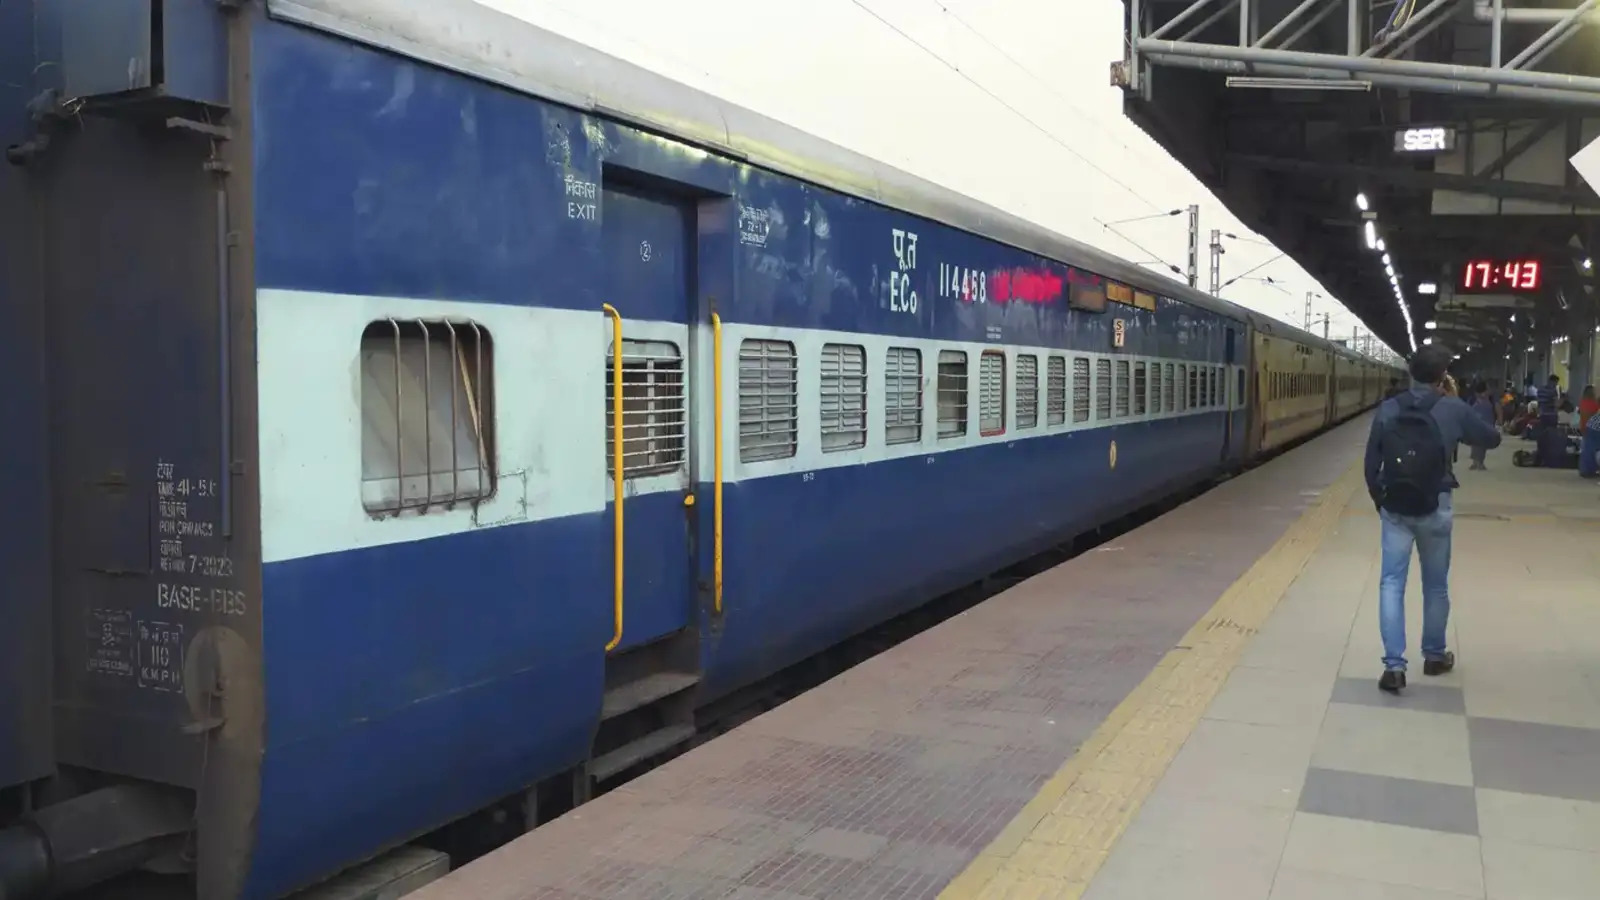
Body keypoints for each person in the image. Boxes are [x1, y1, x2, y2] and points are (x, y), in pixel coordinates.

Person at [1364, 345, 1502, 693]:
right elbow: (1492, 438)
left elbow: (1371, 463)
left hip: (1396, 506)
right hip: (1436, 504)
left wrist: (1381, 502)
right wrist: (1457, 402)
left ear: (1411, 372)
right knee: (1435, 585)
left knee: (1391, 583)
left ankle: (1393, 668)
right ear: (1443, 376)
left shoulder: (1389, 407)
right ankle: (1434, 656)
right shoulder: (1452, 407)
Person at [1468, 380, 1496, 470]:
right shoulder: (1481, 402)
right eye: (1488, 389)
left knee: (1478, 445)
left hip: (1481, 424)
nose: (1489, 390)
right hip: (1481, 425)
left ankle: (1477, 462)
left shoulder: (1484, 401)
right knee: (1479, 445)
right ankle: (1478, 462)